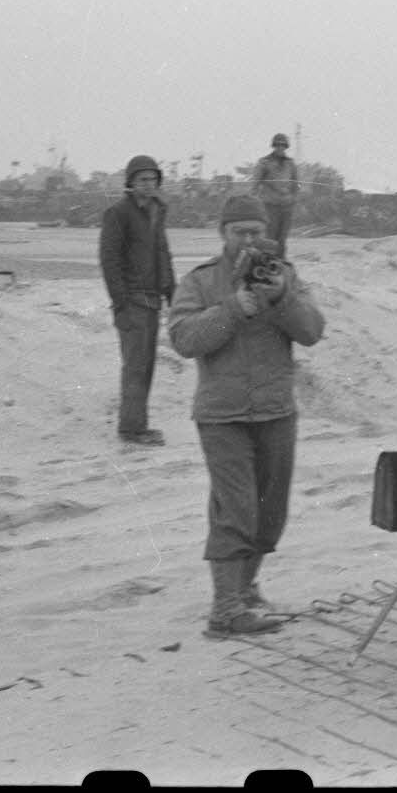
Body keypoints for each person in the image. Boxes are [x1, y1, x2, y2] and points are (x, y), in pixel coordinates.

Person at [169, 195, 325, 639]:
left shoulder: (285, 276)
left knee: (269, 513)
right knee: (234, 509)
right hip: (223, 414)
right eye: (240, 232)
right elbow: (183, 339)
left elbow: (313, 331)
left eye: (257, 232)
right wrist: (233, 309)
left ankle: (246, 587)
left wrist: (281, 300)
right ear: (223, 234)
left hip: (276, 409)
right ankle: (225, 608)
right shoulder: (200, 282)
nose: (249, 241)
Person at [99, 154, 177, 447]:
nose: (149, 185)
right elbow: (110, 261)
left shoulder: (157, 212)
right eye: (142, 180)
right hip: (132, 303)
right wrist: (120, 302)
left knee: (146, 366)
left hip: (152, 302)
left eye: (153, 179)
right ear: (130, 183)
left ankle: (138, 425)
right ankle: (131, 429)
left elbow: (162, 254)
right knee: (135, 367)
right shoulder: (118, 213)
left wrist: (172, 292)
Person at [252, 133, 300, 259]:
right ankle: (266, 264)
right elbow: (255, 183)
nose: (280, 148)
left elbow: (296, 184)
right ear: (274, 146)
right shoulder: (264, 162)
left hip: (286, 207)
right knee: (270, 238)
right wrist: (253, 201)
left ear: (286, 147)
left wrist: (293, 199)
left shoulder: (291, 164)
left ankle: (281, 266)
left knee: (282, 239)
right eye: (278, 145)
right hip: (270, 206)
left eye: (283, 145)